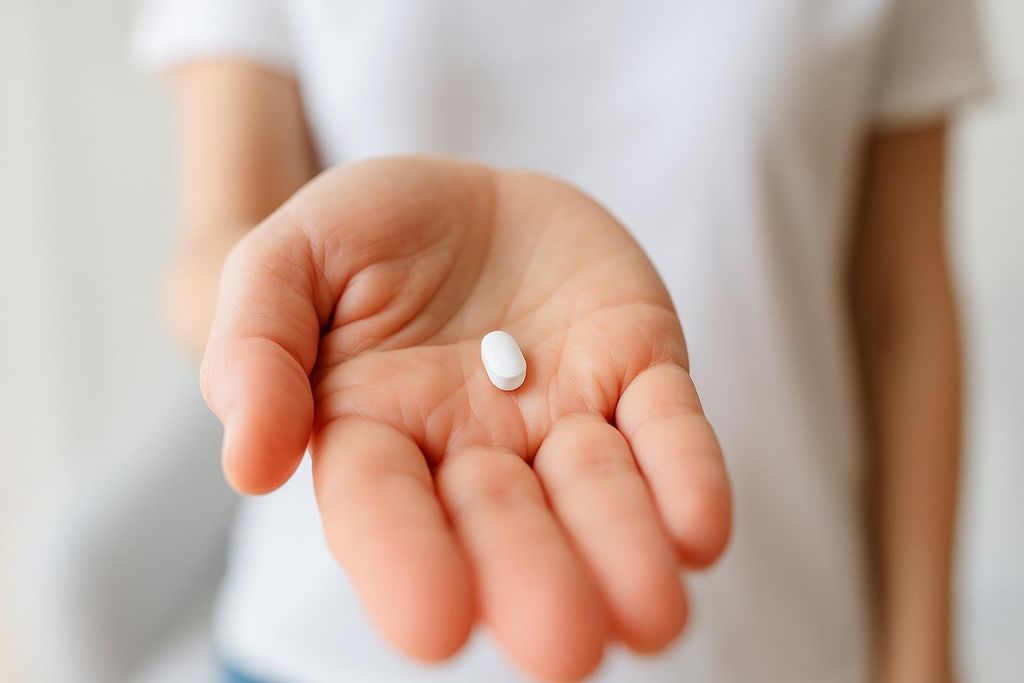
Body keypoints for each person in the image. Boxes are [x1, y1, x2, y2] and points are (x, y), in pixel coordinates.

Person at [133, 1, 988, 681]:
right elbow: (213, 248)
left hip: (775, 639)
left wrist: (924, 660)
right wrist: (292, 294)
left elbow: (899, 308)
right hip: (337, 639)